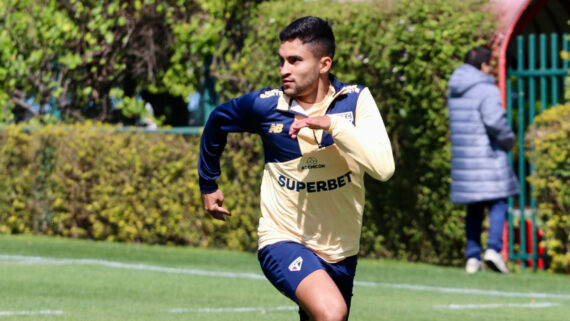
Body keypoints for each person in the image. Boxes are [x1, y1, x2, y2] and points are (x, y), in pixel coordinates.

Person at [198, 16, 394, 321]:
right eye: (282, 61)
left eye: (294, 60)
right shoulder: (266, 106)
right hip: (284, 239)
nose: (283, 70)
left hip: (342, 251)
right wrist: (208, 184)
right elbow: (217, 121)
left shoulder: (355, 101)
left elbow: (383, 169)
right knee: (331, 313)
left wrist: (333, 125)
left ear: (324, 64)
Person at [447, 46, 519, 274]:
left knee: (474, 207)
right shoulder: (485, 88)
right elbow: (495, 121)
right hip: (487, 154)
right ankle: (494, 250)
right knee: (499, 200)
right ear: (484, 66)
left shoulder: (455, 86)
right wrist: (509, 140)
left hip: (465, 158)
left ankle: (472, 257)